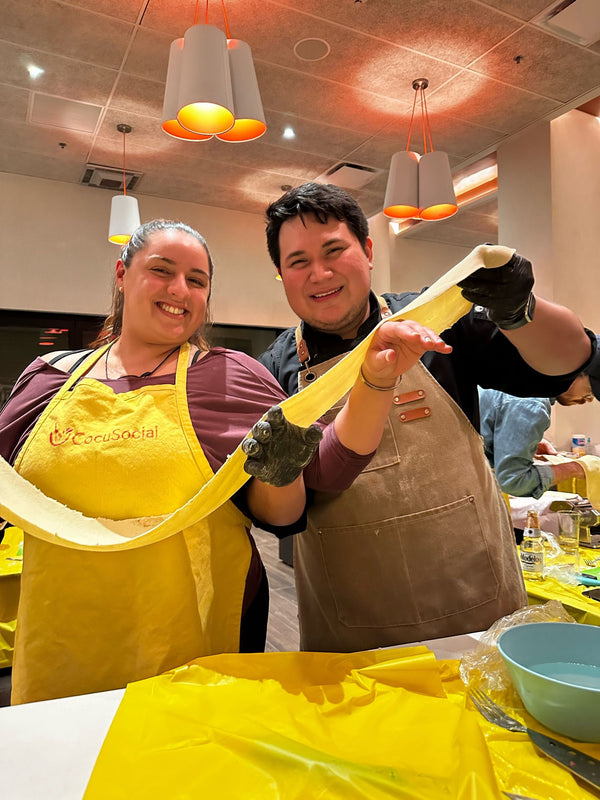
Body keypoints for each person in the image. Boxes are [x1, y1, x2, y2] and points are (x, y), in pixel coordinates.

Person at [0, 218, 450, 703]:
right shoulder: (46, 378)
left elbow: (327, 465)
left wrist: (375, 381)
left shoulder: (228, 376)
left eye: (197, 280)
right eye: (162, 270)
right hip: (61, 641)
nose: (181, 290)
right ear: (122, 274)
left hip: (195, 645)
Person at [259, 182, 596, 652]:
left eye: (334, 250)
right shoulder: (274, 368)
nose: (319, 273)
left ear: (369, 250)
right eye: (298, 262)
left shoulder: (436, 320)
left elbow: (572, 363)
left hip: (478, 611)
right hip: (350, 630)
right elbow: (281, 509)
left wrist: (521, 311)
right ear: (281, 273)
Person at [479, 347, 600, 500]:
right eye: (590, 391)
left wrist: (524, 442)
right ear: (572, 371)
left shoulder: (516, 375)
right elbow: (514, 481)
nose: (588, 399)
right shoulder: (532, 403)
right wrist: (577, 468)